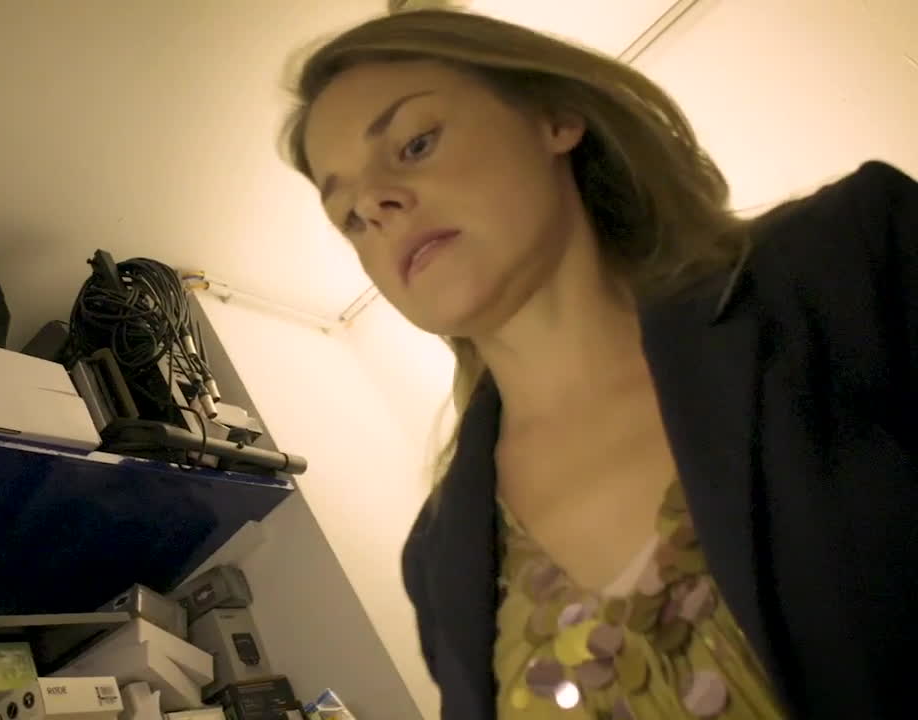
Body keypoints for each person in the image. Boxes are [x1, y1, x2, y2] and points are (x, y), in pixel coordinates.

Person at [281, 8, 917, 720]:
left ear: (554, 118)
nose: (374, 204)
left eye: (416, 143)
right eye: (349, 216)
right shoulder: (438, 561)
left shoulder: (848, 264)